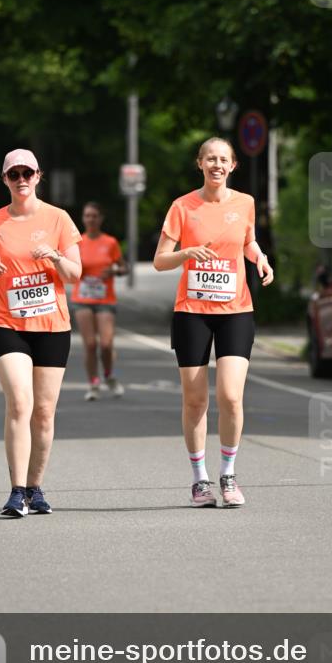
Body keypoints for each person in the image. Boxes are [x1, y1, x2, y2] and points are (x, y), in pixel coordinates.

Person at [153, 137, 274, 509]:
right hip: (192, 312)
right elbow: (160, 260)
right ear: (200, 163)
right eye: (210, 159)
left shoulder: (245, 203)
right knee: (195, 400)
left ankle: (229, 474)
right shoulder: (182, 207)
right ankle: (200, 480)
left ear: (232, 165)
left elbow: (247, 242)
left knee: (231, 397)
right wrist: (186, 252)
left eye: (223, 159)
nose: (217, 165)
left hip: (236, 310)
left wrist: (260, 257)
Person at [0, 149, 82, 518]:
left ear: (38, 176)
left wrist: (55, 256)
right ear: (4, 179)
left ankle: (35, 487)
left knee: (44, 412)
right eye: (14, 174)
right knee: (20, 403)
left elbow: (75, 274)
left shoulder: (58, 218)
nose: (21, 179)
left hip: (52, 326)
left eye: (27, 173)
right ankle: (16, 491)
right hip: (8, 323)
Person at [71, 201, 128, 400]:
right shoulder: (77, 243)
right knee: (89, 344)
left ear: (101, 219)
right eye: (87, 215)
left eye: (94, 216)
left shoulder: (110, 242)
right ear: (83, 218)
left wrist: (113, 270)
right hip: (82, 297)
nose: (91, 219)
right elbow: (68, 270)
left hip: (105, 299)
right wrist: (76, 270)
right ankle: (93, 383)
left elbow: (124, 268)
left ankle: (109, 375)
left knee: (105, 343)